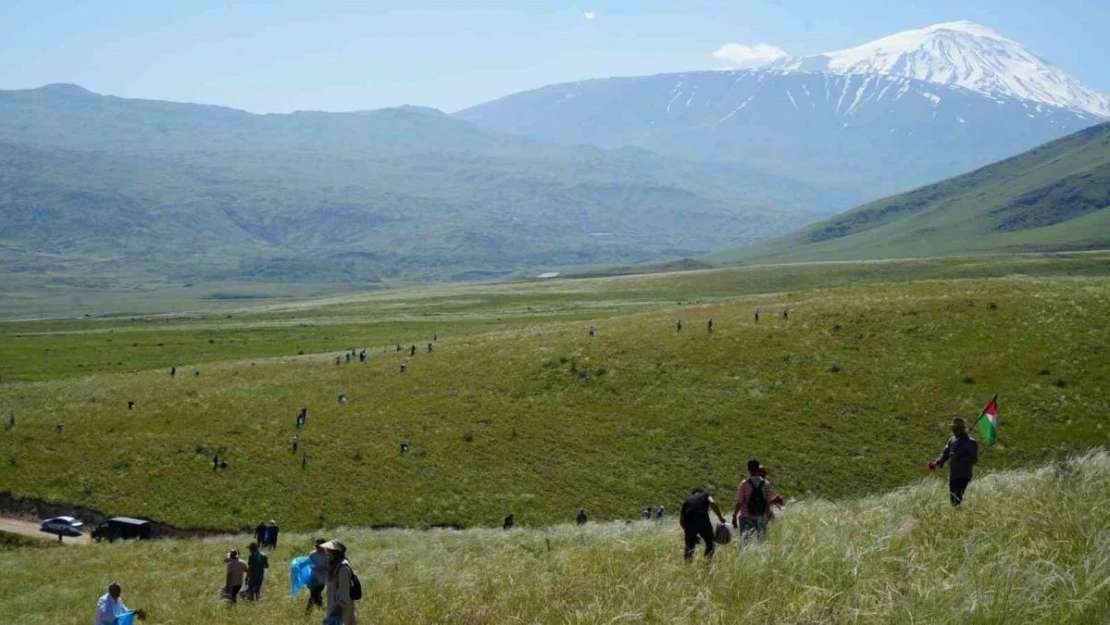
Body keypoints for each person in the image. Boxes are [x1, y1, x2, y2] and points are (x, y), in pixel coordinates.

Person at [929, 417, 980, 506]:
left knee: (958, 499)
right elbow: (945, 454)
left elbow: (974, 460)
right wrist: (937, 462)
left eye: (955, 428)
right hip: (953, 476)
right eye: (953, 428)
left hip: (964, 476)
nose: (953, 430)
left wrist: (959, 457)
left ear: (961, 428)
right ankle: (956, 515)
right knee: (953, 500)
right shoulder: (952, 440)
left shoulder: (971, 442)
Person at [734, 459, 780, 544]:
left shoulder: (744, 483)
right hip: (761, 517)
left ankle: (745, 556)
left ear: (748, 468)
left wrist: (734, 515)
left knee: (745, 542)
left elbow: (739, 502)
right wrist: (766, 516)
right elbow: (767, 502)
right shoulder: (766, 483)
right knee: (761, 542)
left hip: (746, 516)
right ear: (758, 468)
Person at [679, 487, 726, 561]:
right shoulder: (705, 495)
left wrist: (691, 533)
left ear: (693, 494)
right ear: (701, 492)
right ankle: (707, 562)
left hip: (689, 524)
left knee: (689, 546)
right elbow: (712, 503)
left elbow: (681, 522)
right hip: (703, 521)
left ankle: (687, 565)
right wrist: (720, 517)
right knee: (710, 544)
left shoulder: (687, 501)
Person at [321, 539, 357, 625]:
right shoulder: (335, 565)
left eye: (329, 552)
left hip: (340, 607)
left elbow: (344, 590)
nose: (327, 554)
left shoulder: (343, 568)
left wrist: (338, 607)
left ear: (336, 553)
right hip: (334, 604)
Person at [306, 538, 329, 614]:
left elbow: (328, 572)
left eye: (319, 546)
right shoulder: (312, 554)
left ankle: (308, 614)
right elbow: (307, 565)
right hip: (312, 580)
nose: (317, 548)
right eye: (316, 546)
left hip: (321, 582)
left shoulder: (327, 556)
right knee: (315, 597)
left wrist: (317, 569)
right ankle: (325, 612)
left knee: (314, 597)